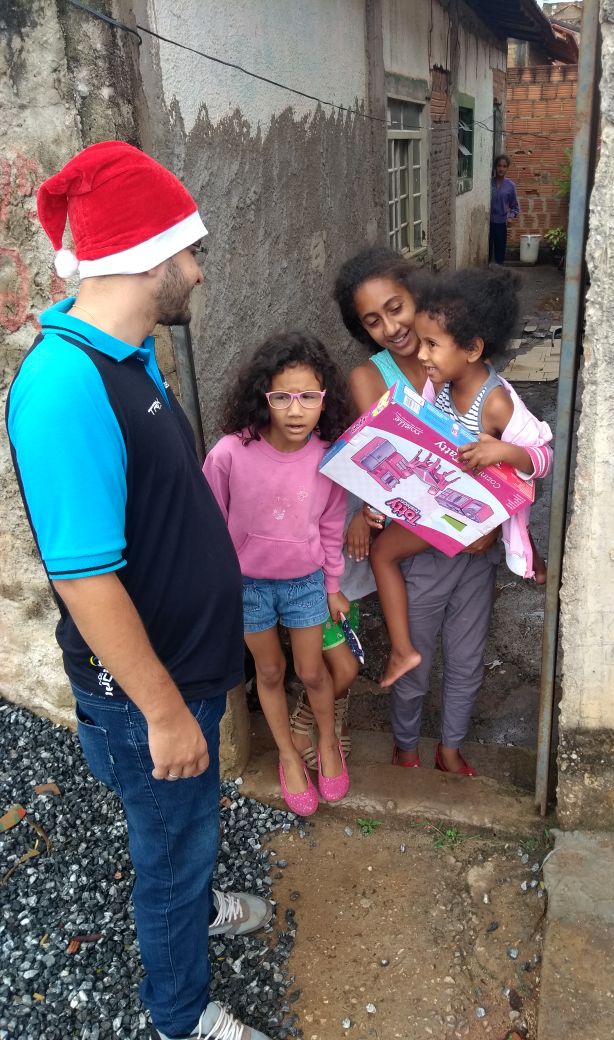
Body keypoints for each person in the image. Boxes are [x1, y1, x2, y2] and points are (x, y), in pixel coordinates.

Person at [6, 141, 274, 1040]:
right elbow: (85, 579)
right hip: (147, 697)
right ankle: (181, 1015)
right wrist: (161, 712)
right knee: (167, 856)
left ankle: (193, 909)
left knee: (184, 831)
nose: (198, 272)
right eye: (192, 252)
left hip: (181, 672)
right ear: (149, 256)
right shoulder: (64, 386)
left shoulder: (126, 356)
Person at [371, 267, 553, 772]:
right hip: (431, 549)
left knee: (467, 658)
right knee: (416, 658)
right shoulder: (440, 389)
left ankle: (449, 748)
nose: (422, 355)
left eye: (432, 344)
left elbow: (543, 457)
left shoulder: (497, 402)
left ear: (472, 349)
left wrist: (503, 451)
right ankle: (406, 746)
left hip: (477, 554)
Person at [288, 246, 430, 762]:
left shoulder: (450, 354)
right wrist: (365, 515)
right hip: (377, 505)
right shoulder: (369, 377)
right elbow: (379, 459)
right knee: (346, 612)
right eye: (373, 321)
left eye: (396, 308)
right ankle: (325, 711)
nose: (390, 327)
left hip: (429, 515)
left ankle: (335, 707)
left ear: (418, 295)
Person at [203, 332, 352, 817]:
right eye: (282, 397)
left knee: (311, 671)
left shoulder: (328, 457)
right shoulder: (229, 453)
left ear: (325, 399)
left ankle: (326, 741)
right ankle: (288, 754)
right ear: (262, 397)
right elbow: (209, 523)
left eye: (308, 396)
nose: (295, 409)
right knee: (269, 671)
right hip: (247, 587)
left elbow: (331, 526)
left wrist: (334, 586)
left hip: (306, 582)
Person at [489, 154, 520, 265]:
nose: (501, 169)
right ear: (495, 167)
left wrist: (511, 217)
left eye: (504, 166)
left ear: (507, 168)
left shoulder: (510, 186)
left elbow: (515, 207)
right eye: (499, 166)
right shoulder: (488, 183)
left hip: (501, 224)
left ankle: (499, 273)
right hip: (487, 223)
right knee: (487, 253)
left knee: (499, 255)